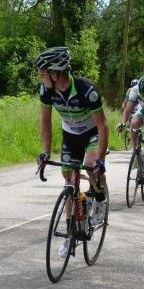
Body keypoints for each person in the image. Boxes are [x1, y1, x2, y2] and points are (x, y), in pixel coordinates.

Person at [35, 47, 108, 257]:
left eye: (42, 73)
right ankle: (70, 233)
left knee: (92, 166)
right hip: (70, 135)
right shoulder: (46, 91)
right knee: (69, 180)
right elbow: (45, 122)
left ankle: (100, 199)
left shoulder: (87, 90)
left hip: (92, 133)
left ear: (55, 74)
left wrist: (101, 159)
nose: (40, 77)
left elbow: (103, 125)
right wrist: (45, 152)